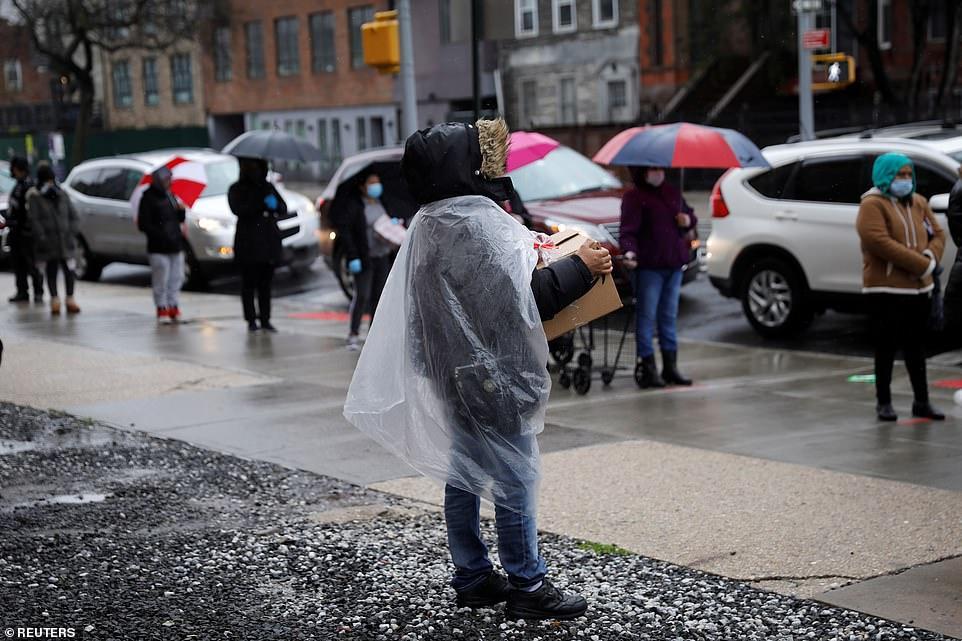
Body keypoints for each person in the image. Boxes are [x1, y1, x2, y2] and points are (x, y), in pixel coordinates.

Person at [345, 119, 613, 621]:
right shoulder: (478, 223)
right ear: (465, 164)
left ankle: (471, 574)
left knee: (464, 474)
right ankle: (528, 584)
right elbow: (518, 303)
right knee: (515, 478)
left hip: (453, 376)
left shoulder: (427, 225)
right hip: (497, 376)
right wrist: (584, 269)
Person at [856, 153, 945, 422]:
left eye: (908, 174)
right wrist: (922, 265)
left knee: (916, 348)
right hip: (886, 289)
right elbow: (879, 242)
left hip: (918, 290)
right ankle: (884, 402)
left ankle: (922, 402)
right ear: (885, 176)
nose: (905, 180)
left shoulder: (918, 202)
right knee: (886, 347)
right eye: (899, 175)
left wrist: (930, 256)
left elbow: (938, 234)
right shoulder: (872, 204)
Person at [619, 166, 696, 388]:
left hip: (673, 264)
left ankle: (671, 367)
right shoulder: (634, 198)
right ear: (642, 171)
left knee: (668, 317)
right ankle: (649, 367)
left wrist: (687, 221)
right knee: (647, 317)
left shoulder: (672, 193)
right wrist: (630, 251)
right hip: (649, 267)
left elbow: (690, 216)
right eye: (652, 168)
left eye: (659, 168)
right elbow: (628, 231)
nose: (657, 172)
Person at [333, 171, 396, 351]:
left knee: (378, 297)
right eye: (372, 183)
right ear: (363, 186)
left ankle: (373, 334)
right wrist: (352, 256)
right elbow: (347, 232)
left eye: (378, 182)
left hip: (382, 255)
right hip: (363, 257)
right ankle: (353, 334)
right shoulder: (355, 206)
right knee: (362, 296)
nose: (376, 186)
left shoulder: (382, 202)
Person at [228, 157, 285, 332]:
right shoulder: (237, 189)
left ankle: (266, 318)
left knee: (265, 285)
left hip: (268, 243)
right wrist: (260, 203)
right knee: (249, 284)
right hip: (249, 244)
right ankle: (251, 319)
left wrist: (274, 205)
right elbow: (239, 209)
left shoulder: (268, 187)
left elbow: (283, 208)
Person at [29, 163, 80, 315]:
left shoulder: (62, 194)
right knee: (51, 271)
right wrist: (42, 237)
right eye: (47, 180)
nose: (50, 183)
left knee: (70, 271)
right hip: (48, 243)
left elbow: (73, 216)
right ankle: (54, 300)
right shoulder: (34, 196)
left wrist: (71, 232)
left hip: (66, 241)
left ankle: (70, 299)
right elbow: (34, 219)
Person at [137, 166, 186, 323]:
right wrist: (159, 234)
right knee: (161, 277)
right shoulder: (148, 198)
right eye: (166, 179)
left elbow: (178, 219)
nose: (168, 182)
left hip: (175, 243)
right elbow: (143, 224)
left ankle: (173, 304)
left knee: (176, 276)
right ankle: (161, 307)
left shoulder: (171, 196)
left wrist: (181, 211)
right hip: (158, 246)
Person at [6, 156, 44, 303]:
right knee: (18, 264)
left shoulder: (28, 186)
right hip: (16, 232)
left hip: (26, 233)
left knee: (32, 264)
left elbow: (29, 212)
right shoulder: (19, 185)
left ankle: (38, 292)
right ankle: (22, 291)